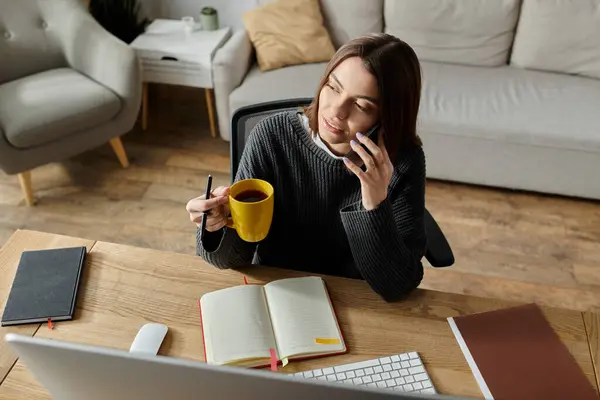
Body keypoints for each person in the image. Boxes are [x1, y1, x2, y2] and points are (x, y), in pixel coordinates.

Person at [186, 33, 426, 302]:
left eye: (360, 105)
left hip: (356, 302)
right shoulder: (272, 137)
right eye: (333, 87)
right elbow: (233, 260)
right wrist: (215, 225)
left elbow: (398, 286)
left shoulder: (403, 161)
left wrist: (375, 203)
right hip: (278, 293)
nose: (337, 110)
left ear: (388, 117)